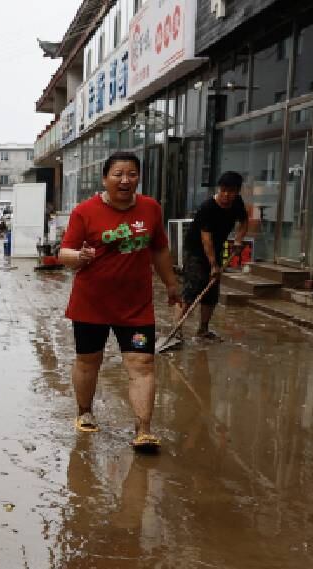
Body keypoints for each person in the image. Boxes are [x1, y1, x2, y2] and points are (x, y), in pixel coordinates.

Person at [57, 151, 181, 452]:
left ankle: (143, 430)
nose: (126, 180)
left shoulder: (151, 209)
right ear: (105, 179)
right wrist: (80, 257)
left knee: (142, 362)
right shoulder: (85, 212)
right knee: (89, 361)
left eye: (132, 174)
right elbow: (64, 253)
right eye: (118, 174)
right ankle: (84, 411)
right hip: (91, 305)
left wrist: (172, 286)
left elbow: (160, 250)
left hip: (136, 307)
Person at [177, 171, 249, 340]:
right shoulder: (208, 207)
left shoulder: (237, 203)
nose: (226, 194)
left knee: (211, 292)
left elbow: (244, 221)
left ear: (237, 191)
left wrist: (238, 240)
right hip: (195, 250)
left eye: (230, 191)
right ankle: (177, 329)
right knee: (192, 289)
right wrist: (213, 265)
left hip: (216, 249)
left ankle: (203, 329)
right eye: (223, 190)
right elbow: (205, 238)